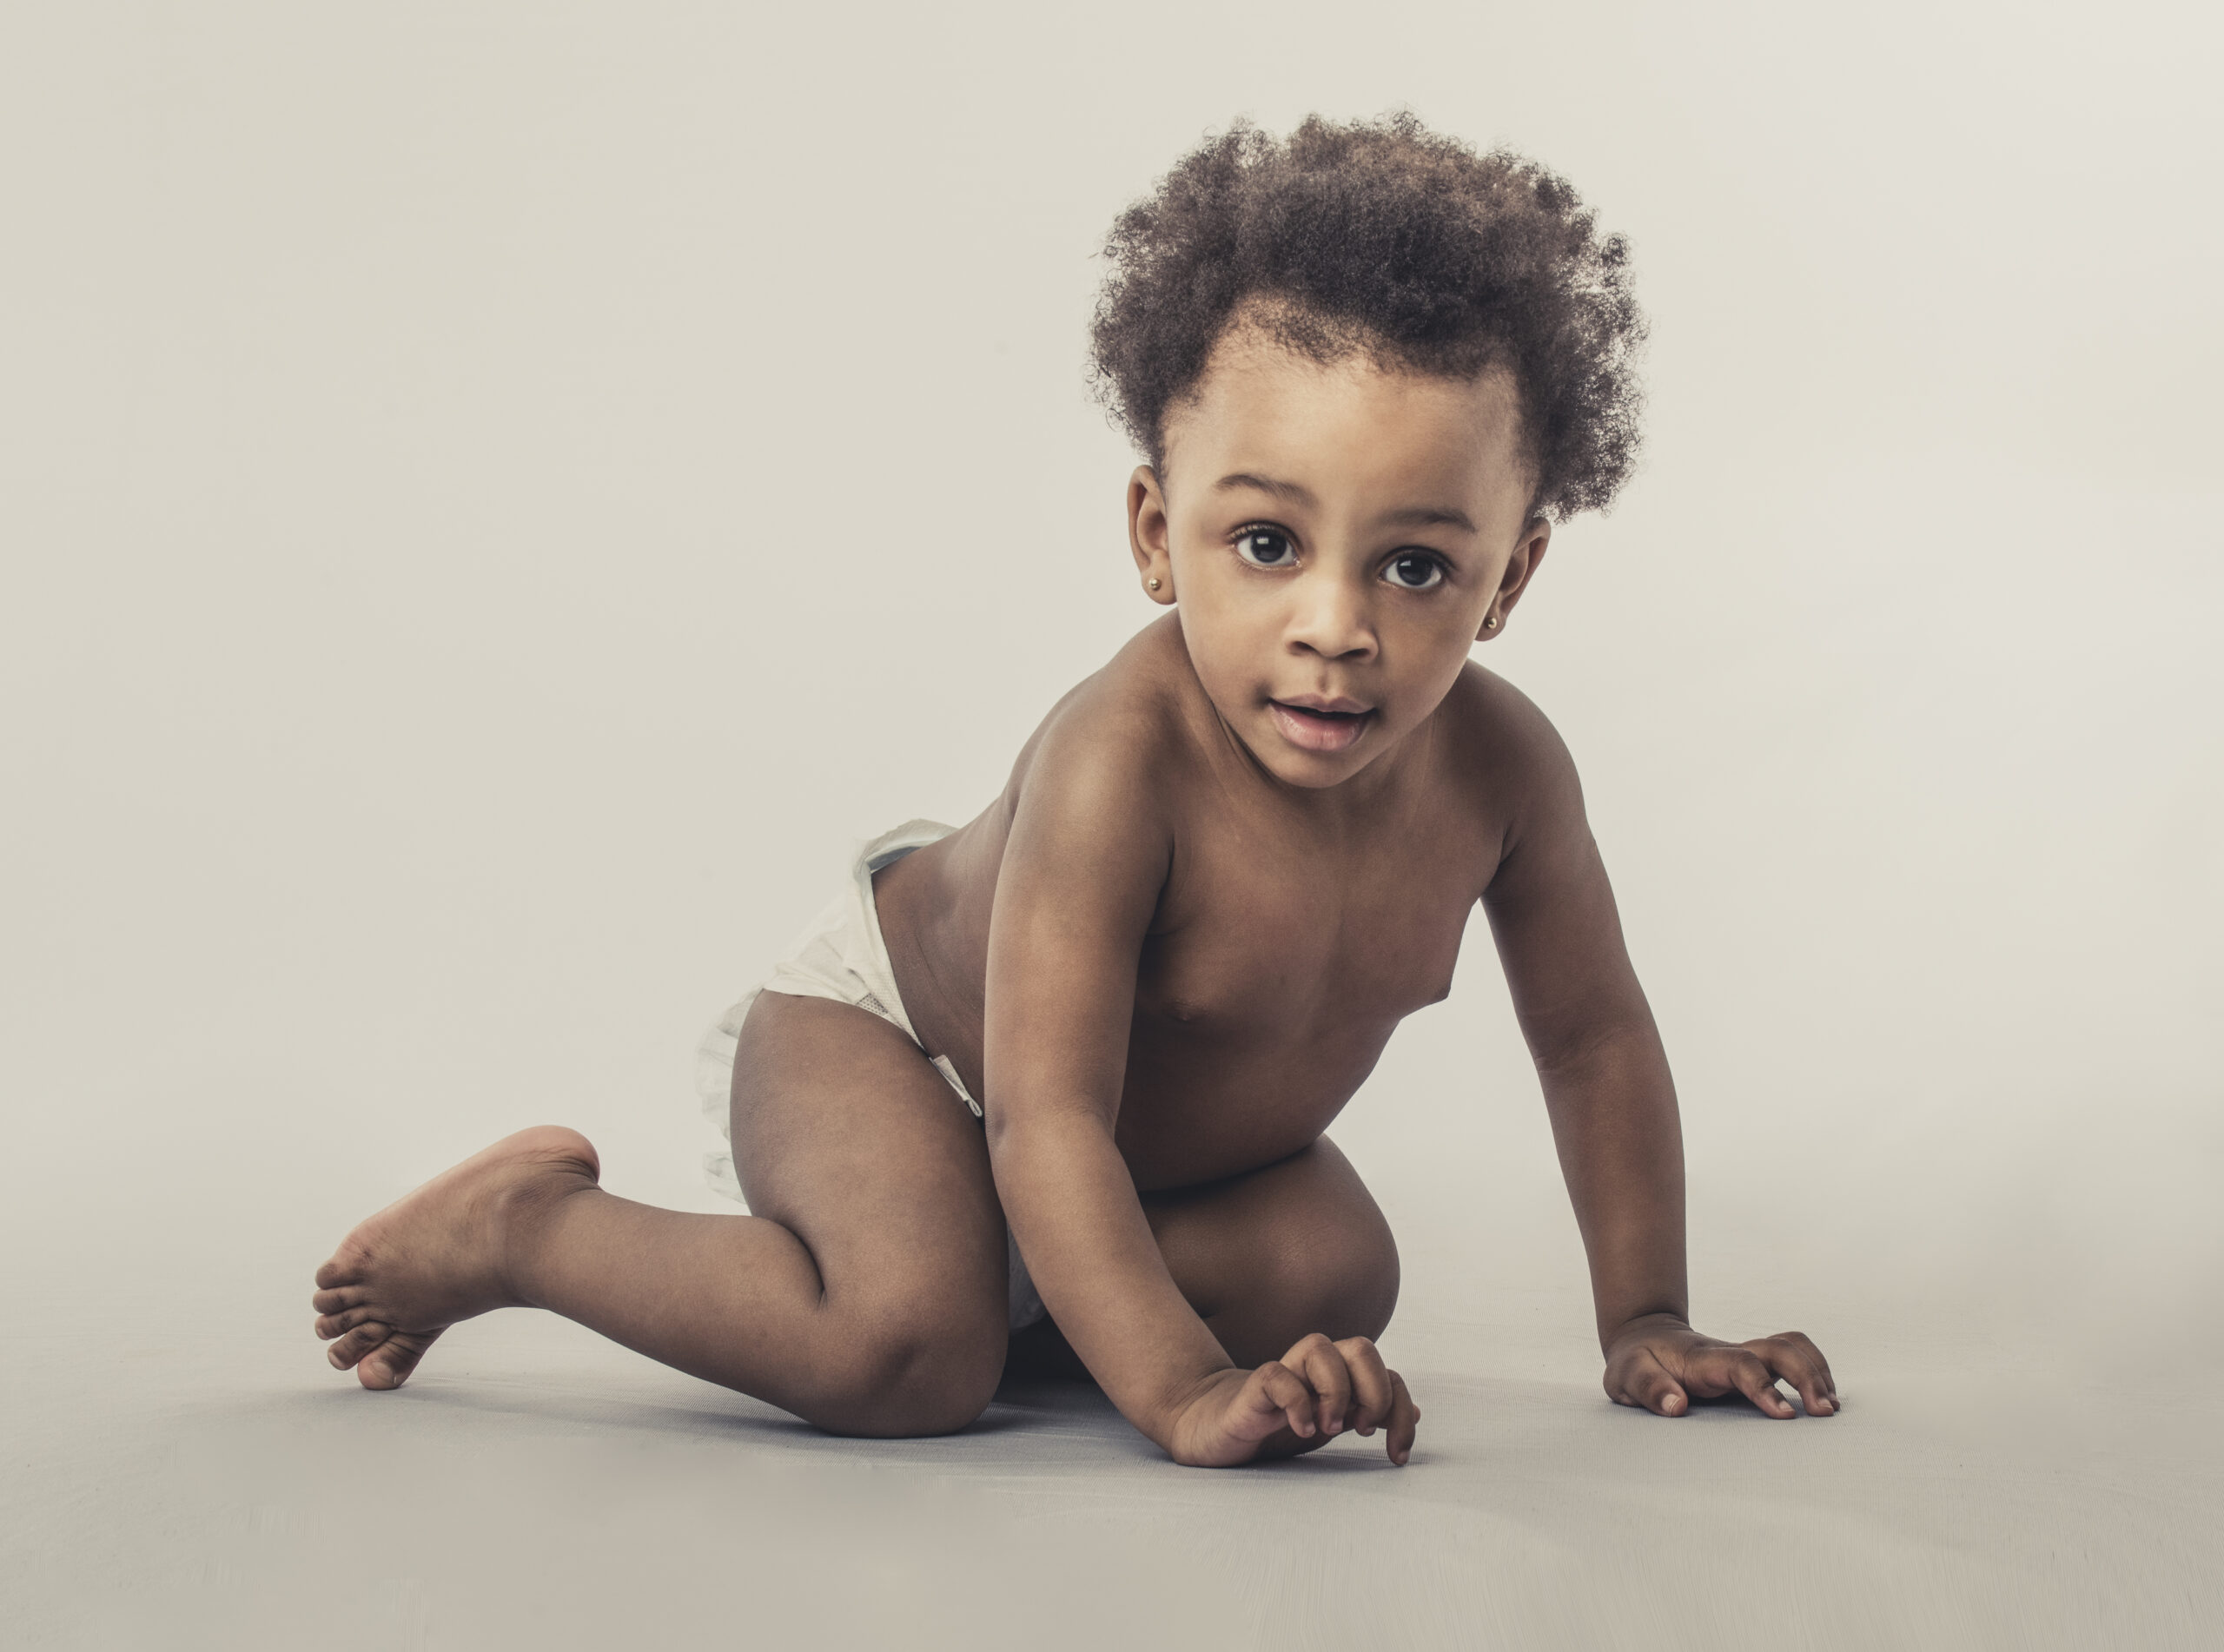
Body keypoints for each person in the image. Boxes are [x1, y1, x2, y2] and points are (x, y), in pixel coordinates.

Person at [311, 113, 1837, 1468]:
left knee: (1334, 1267)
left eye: (1418, 564)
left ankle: (1009, 1297)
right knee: (904, 1353)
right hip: (909, 1051)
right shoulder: (1123, 759)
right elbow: (1045, 1117)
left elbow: (1590, 1037)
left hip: (1120, 1155)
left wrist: (1645, 1312)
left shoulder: (1506, 772)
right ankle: (526, 1230)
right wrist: (1179, 1389)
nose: (1335, 625)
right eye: (1265, 543)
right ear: (1155, 531)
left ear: (1511, 577)